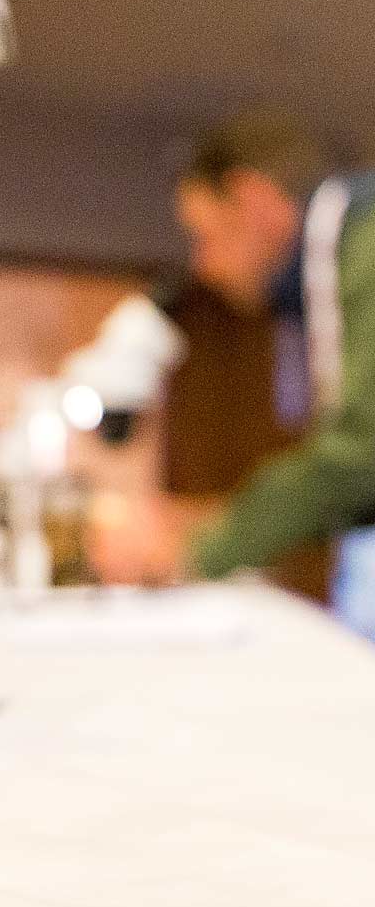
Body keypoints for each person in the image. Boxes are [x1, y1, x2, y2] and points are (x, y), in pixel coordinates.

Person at [90, 108, 375, 601]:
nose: (203, 266)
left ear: (255, 201)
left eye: (205, 235)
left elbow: (362, 455)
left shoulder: (361, 237)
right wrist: (194, 519)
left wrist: (197, 550)